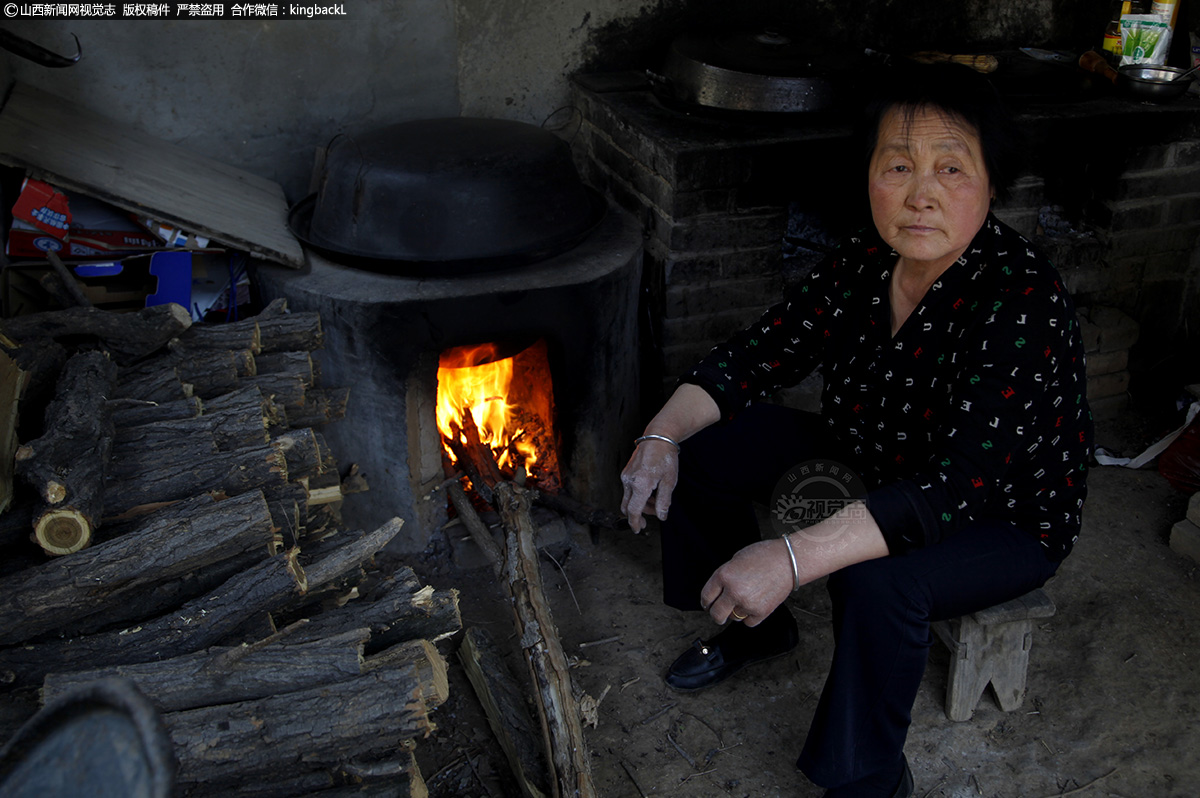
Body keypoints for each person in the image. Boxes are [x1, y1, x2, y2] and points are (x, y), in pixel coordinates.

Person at [619, 62, 1093, 798]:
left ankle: (868, 777)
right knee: (704, 447)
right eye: (898, 165)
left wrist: (789, 556)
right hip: (873, 456)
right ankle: (758, 629)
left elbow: (952, 488)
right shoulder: (866, 260)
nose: (921, 193)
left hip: (998, 517)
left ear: (992, 183)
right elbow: (762, 350)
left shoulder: (1021, 299)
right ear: (869, 174)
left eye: (951, 169)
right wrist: (660, 436)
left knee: (879, 581)